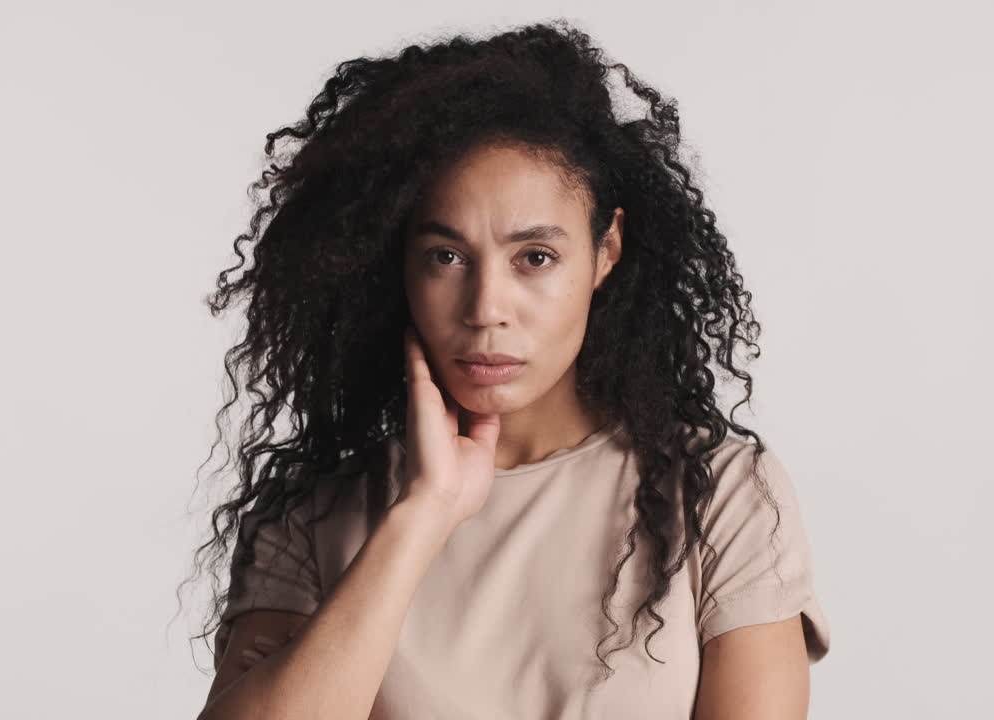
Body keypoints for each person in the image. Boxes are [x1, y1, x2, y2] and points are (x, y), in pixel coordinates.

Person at [189, 19, 831, 720]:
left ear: (606, 250)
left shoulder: (720, 497)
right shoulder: (313, 519)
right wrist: (424, 514)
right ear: (396, 264)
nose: (486, 307)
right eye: (446, 256)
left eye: (535, 258)